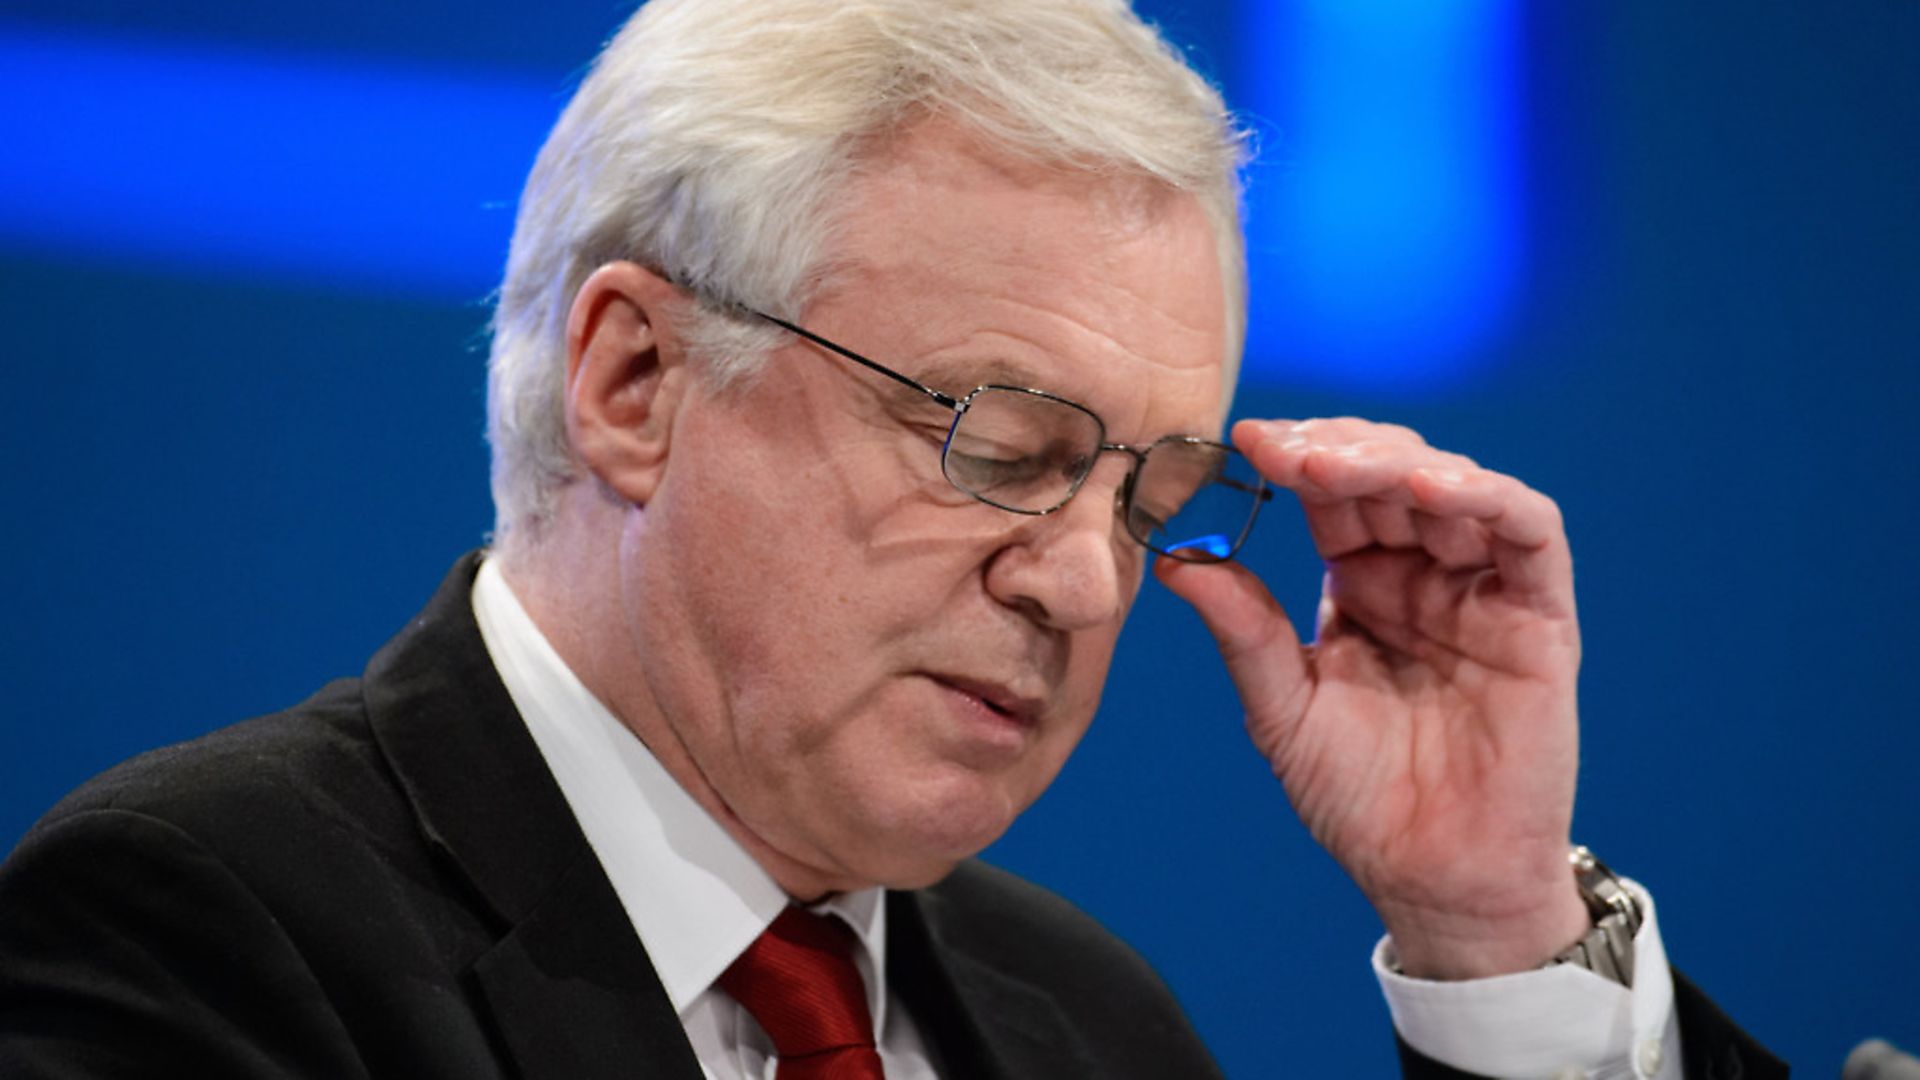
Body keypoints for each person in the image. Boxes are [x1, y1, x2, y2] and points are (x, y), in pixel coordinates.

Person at [0, 1, 1785, 1077]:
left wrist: (1491, 929)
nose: (1087, 582)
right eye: (1004, 446)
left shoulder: (1091, 1030)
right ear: (635, 379)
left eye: (1150, 497)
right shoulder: (210, 928)